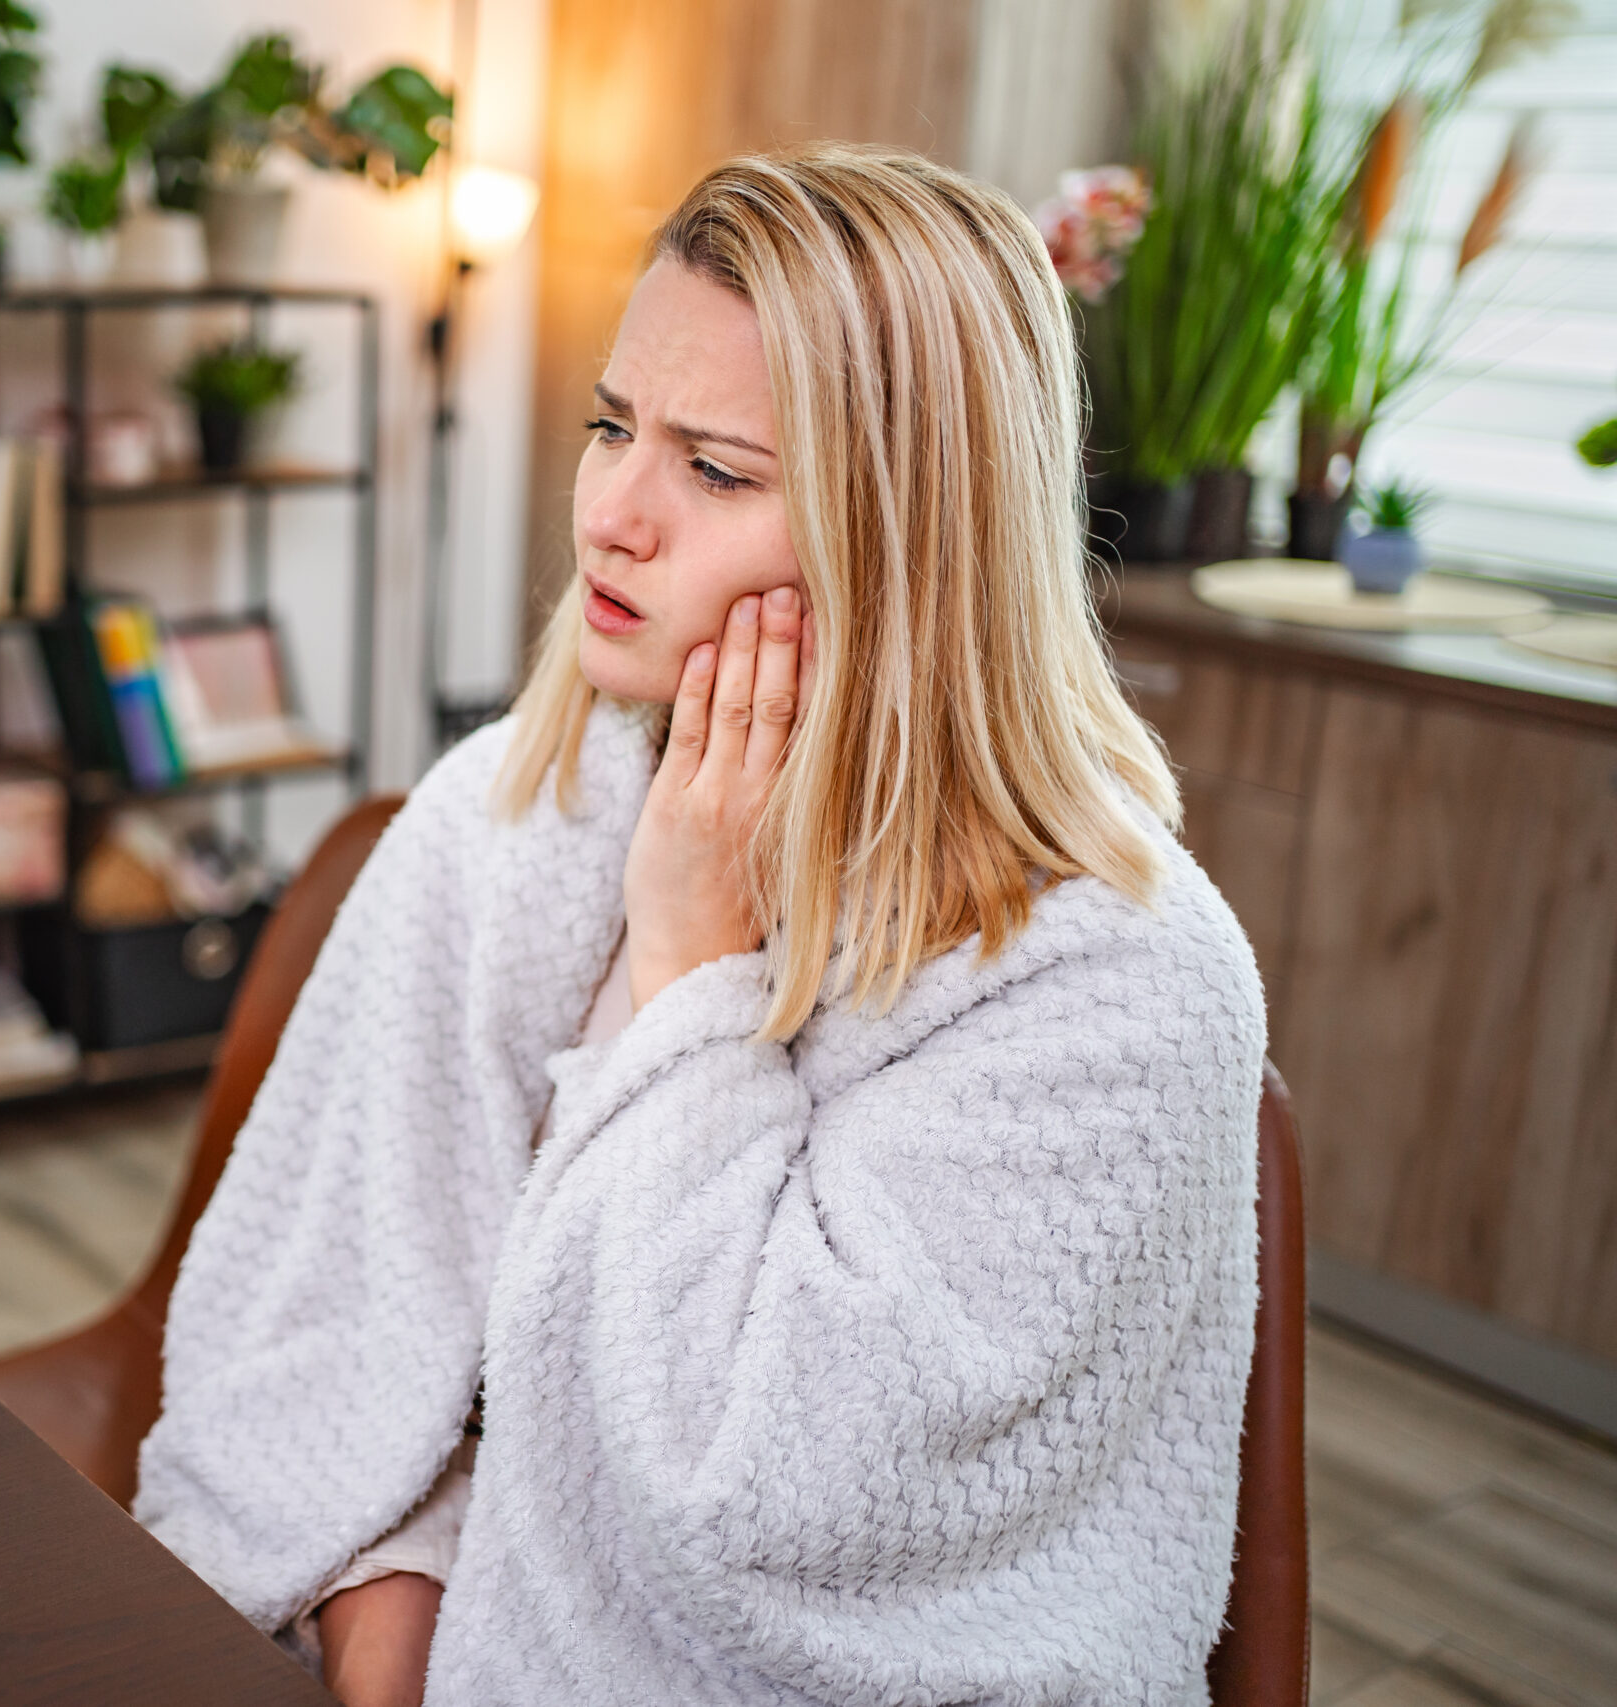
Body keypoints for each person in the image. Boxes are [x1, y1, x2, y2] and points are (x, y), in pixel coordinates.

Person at [134, 145, 1267, 1707]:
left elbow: (773, 1513)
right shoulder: (519, 810)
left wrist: (687, 976)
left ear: (917, 543)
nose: (609, 515)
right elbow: (328, 1344)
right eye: (612, 428)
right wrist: (388, 1634)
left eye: (717, 471)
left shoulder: (1120, 991)